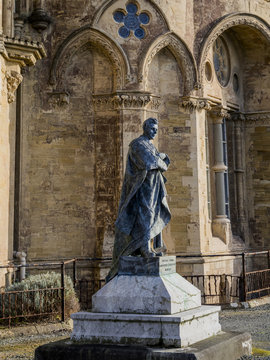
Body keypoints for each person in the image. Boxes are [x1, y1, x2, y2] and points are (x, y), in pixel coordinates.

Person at [106, 118, 171, 282]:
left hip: (153, 188)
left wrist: (161, 161)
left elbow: (163, 163)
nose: (155, 132)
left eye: (156, 129)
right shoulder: (138, 144)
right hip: (141, 189)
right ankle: (143, 249)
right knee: (146, 216)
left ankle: (147, 247)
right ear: (145, 128)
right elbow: (151, 163)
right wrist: (160, 160)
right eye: (152, 128)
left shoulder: (150, 145)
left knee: (152, 216)